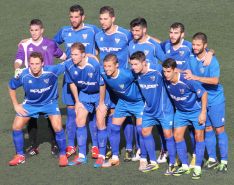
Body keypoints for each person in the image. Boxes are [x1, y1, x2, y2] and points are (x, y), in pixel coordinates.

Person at [54, 4, 101, 158]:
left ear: (83, 17)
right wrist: (62, 57)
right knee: (71, 111)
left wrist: (96, 56)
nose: (73, 20)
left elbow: (104, 40)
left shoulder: (92, 29)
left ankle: (95, 145)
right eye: (71, 17)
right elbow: (51, 45)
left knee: (92, 114)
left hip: (88, 78)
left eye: (76, 17)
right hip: (72, 76)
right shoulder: (64, 31)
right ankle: (71, 145)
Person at [14, 19, 66, 157]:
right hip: (31, 84)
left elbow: (63, 56)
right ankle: (32, 145)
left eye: (37, 30)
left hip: (48, 85)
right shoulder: (24, 45)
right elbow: (18, 60)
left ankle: (54, 144)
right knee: (31, 117)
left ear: (42, 30)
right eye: (32, 30)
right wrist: (17, 69)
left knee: (51, 117)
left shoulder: (50, 43)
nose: (34, 32)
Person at [8, 52, 67, 167]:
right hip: (30, 104)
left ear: (42, 64)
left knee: (58, 127)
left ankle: (63, 155)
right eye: (32, 64)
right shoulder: (23, 74)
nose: (34, 66)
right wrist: (16, 105)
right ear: (28, 64)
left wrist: (88, 56)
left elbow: (69, 62)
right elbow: (11, 86)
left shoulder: (51, 71)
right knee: (16, 126)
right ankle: (20, 156)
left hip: (50, 103)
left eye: (37, 64)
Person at [95, 6, 135, 161]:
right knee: (111, 114)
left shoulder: (125, 34)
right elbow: (96, 53)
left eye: (105, 19)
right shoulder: (98, 36)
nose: (103, 22)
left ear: (113, 18)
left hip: (124, 83)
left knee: (128, 114)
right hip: (108, 82)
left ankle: (130, 147)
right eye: (101, 19)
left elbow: (144, 38)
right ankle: (113, 146)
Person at [185, 32, 228, 173]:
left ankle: (224, 161)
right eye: (193, 44)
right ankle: (212, 158)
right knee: (208, 129)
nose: (195, 47)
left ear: (205, 45)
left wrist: (196, 77)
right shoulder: (191, 55)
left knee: (219, 129)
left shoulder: (212, 61)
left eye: (198, 45)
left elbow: (215, 81)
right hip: (202, 100)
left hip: (215, 100)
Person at [129, 51, 176, 174]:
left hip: (164, 110)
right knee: (145, 132)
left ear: (144, 63)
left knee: (168, 135)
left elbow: (172, 70)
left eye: (135, 64)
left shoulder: (157, 71)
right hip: (149, 110)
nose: (133, 67)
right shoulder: (135, 74)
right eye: (132, 64)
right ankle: (153, 162)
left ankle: (172, 163)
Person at [129, 17, 168, 163]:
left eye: (137, 30)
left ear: (144, 30)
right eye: (132, 30)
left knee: (158, 121)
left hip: (155, 88)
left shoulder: (153, 45)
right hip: (140, 88)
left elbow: (165, 62)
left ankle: (165, 149)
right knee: (139, 120)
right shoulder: (131, 44)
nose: (134, 33)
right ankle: (141, 148)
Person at [64, 43, 107, 168]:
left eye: (76, 54)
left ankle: (102, 155)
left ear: (83, 54)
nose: (73, 57)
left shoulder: (93, 65)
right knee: (79, 120)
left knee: (100, 122)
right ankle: (82, 156)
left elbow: (102, 84)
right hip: (84, 94)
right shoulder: (69, 65)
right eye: (72, 54)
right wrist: (77, 101)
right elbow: (71, 83)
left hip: (99, 94)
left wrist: (101, 103)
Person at [163, 58, 207, 180]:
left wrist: (203, 112)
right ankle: (185, 165)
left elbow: (203, 93)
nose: (166, 74)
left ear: (174, 70)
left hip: (195, 111)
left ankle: (197, 167)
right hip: (181, 113)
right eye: (164, 71)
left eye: (168, 71)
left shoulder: (187, 80)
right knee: (177, 136)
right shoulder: (166, 80)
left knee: (199, 136)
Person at [100, 54, 145, 168]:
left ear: (117, 65)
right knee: (114, 128)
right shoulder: (104, 73)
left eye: (110, 66)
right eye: (105, 66)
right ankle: (115, 158)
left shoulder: (127, 74)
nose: (107, 69)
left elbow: (143, 76)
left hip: (138, 102)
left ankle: (143, 158)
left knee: (141, 130)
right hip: (123, 102)